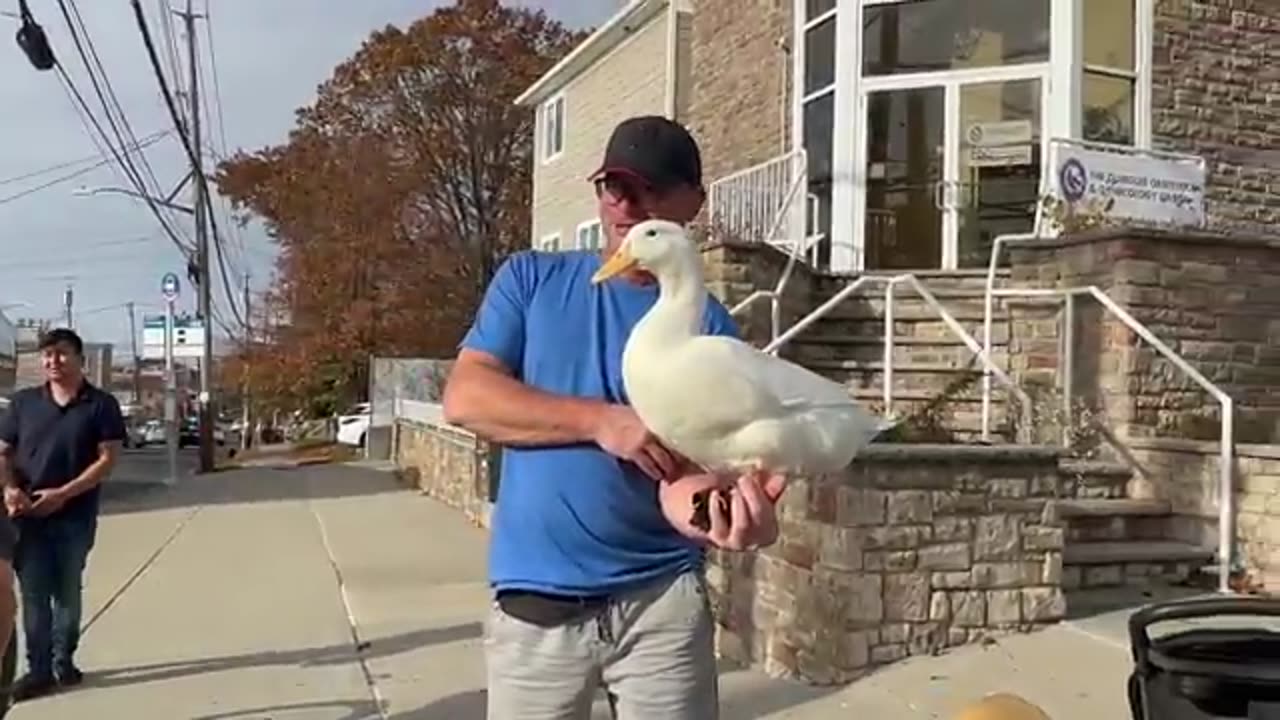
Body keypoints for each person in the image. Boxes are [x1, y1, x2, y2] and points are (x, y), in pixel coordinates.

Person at [442, 115, 784, 720]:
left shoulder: (708, 329)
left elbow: (695, 473)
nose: (625, 205)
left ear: (691, 203)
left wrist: (727, 515)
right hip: (536, 610)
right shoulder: (531, 280)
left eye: (648, 189)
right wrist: (602, 421)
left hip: (661, 607)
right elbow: (467, 398)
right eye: (613, 187)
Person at [0, 327, 125, 700]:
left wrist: (64, 494)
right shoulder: (23, 404)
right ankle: (38, 671)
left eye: (62, 353)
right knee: (35, 594)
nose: (53, 361)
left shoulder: (100, 404)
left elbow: (108, 459)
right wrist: (9, 489)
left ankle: (63, 660)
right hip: (28, 515)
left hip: (74, 515)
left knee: (67, 594)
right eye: (47, 355)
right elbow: (4, 453)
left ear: (79, 359)